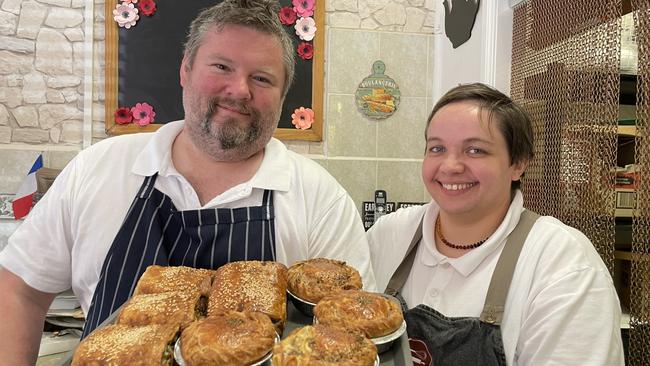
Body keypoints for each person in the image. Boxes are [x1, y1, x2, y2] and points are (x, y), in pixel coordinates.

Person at [0, 0, 376, 362]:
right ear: (185, 70)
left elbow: (355, 331)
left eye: (261, 78)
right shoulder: (98, 168)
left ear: (282, 96)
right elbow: (18, 289)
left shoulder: (321, 199)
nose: (240, 89)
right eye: (222, 66)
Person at [367, 83, 624, 365]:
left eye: (475, 150)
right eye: (437, 148)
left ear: (519, 164)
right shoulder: (389, 235)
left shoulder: (564, 265)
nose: (450, 165)